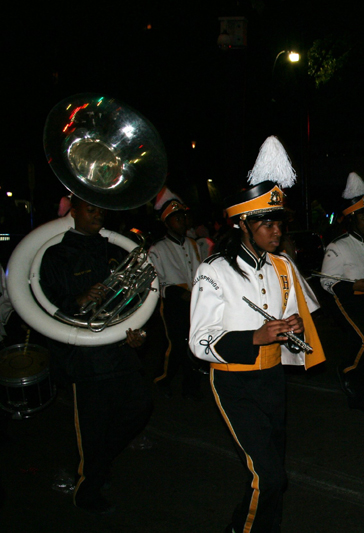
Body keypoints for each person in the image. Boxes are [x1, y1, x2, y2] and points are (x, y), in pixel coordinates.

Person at [189, 136, 324, 533]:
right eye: (266, 222)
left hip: (273, 378)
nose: (276, 230)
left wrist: (291, 326)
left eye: (278, 221)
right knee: (267, 476)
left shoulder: (282, 266)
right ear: (241, 224)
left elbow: (292, 316)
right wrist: (255, 336)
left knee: (274, 473)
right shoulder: (213, 271)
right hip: (232, 382)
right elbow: (199, 341)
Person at [39, 196, 152, 514]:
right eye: (91, 208)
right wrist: (78, 299)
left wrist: (137, 331)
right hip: (84, 359)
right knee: (92, 427)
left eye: (102, 208)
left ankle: (95, 464)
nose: (98, 213)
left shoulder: (115, 249)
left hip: (119, 351)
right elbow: (46, 303)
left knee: (140, 407)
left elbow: (134, 299)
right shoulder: (56, 254)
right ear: (73, 210)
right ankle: (86, 492)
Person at [320, 172, 364, 411]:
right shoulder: (338, 246)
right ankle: (348, 371)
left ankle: (355, 371)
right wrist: (352, 285)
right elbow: (326, 282)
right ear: (353, 219)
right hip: (347, 301)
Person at [148, 189, 205, 399]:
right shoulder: (158, 248)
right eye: (177, 218)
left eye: (183, 217)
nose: (182, 221)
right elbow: (157, 282)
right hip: (174, 303)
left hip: (194, 301)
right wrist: (178, 293)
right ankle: (164, 376)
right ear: (167, 222)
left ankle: (191, 386)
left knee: (195, 341)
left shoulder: (192, 244)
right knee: (176, 344)